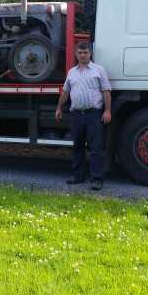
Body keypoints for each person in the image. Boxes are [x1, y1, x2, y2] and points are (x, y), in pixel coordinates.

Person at [55, 41, 112, 190]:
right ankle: (77, 176)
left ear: (90, 53)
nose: (82, 55)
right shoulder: (71, 72)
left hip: (94, 114)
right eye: (80, 53)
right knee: (77, 146)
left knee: (96, 148)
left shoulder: (99, 70)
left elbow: (106, 91)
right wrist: (59, 108)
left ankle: (97, 179)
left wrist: (107, 111)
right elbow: (66, 91)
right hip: (76, 115)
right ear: (76, 54)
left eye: (85, 52)